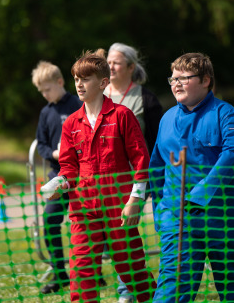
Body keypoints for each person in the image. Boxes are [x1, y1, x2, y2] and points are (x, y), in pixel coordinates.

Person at [41, 50, 156, 303]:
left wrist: (135, 198)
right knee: (81, 270)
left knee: (131, 268)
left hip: (119, 206)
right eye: (76, 79)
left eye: (86, 79)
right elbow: (69, 166)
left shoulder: (122, 116)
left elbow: (140, 159)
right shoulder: (71, 123)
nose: (79, 85)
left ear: (103, 83)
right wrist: (59, 182)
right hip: (83, 207)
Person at [149, 52, 234, 302]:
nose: (176, 83)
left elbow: (232, 154)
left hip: (228, 216)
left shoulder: (225, 114)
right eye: (172, 79)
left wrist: (200, 194)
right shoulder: (166, 119)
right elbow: (156, 167)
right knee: (171, 286)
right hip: (179, 219)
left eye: (184, 78)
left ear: (206, 80)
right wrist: (161, 212)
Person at [104, 42, 163, 303]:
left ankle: (127, 291)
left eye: (116, 62)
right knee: (110, 235)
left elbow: (157, 140)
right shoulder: (95, 91)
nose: (110, 66)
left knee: (123, 232)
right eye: (108, 61)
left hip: (133, 179)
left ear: (130, 67)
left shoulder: (145, 99)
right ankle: (138, 284)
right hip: (100, 179)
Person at [31, 61, 82, 294]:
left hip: (83, 175)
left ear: (60, 82)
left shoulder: (78, 104)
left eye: (47, 89)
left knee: (88, 223)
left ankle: (92, 273)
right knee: (50, 221)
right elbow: (40, 144)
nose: (44, 94)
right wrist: (53, 152)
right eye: (40, 91)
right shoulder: (45, 112)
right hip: (57, 177)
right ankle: (59, 273)